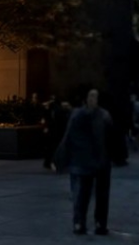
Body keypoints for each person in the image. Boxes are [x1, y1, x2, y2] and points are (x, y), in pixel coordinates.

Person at [60, 88, 114, 235]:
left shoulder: (102, 116)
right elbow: (69, 136)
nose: (92, 99)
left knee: (96, 194)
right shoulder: (85, 115)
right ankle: (82, 223)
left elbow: (111, 138)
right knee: (83, 194)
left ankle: (97, 223)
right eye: (91, 96)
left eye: (95, 96)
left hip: (98, 160)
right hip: (87, 160)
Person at [42, 92, 72, 172]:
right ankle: (52, 162)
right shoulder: (58, 110)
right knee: (54, 148)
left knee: (52, 147)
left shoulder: (54, 109)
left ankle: (50, 162)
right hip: (57, 131)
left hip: (54, 131)